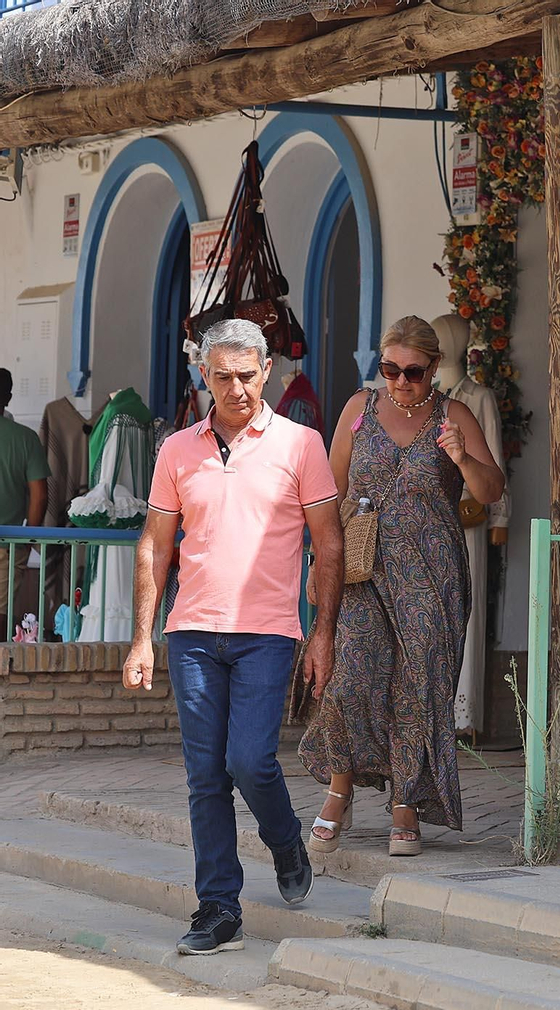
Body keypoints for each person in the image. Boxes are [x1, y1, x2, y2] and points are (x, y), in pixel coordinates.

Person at [124, 319, 344, 956]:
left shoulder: (302, 445)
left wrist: (324, 633)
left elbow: (327, 543)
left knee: (249, 761)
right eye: (223, 376)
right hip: (191, 632)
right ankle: (218, 906)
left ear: (267, 370)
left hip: (268, 634)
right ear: (204, 376)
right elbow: (154, 546)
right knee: (204, 776)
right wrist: (142, 638)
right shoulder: (176, 451)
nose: (237, 388)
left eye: (247, 375)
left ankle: (285, 843)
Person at [298, 316, 504, 857]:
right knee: (351, 678)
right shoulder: (357, 410)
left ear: (433, 369)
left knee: (418, 689)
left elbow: (491, 489)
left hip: (431, 574)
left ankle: (405, 805)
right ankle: (339, 790)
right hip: (362, 569)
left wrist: (460, 457)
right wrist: (319, 564)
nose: (399, 382)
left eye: (412, 372)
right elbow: (329, 491)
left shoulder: (452, 415)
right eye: (389, 369)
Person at [0, 368, 49, 615]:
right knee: (1, 614)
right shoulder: (26, 439)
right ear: (8, 398)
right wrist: (27, 538)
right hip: (8, 544)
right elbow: (39, 496)